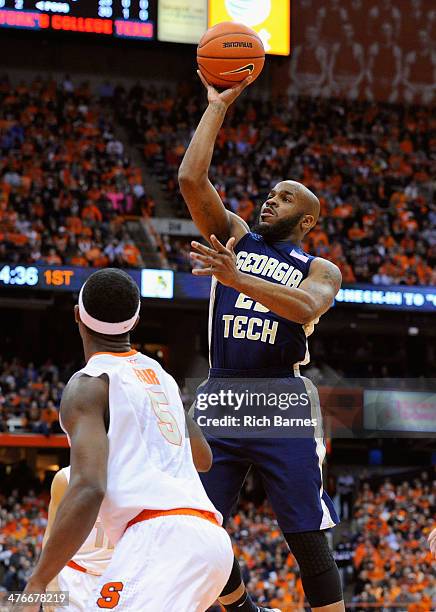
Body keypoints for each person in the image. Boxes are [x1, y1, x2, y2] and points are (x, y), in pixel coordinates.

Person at [178, 73, 345, 611]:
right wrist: (217, 107)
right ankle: (241, 608)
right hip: (222, 391)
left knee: (306, 539)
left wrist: (236, 280)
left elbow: (306, 307)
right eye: (270, 194)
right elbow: (190, 179)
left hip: (281, 398)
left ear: (309, 218)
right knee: (194, 526)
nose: (271, 201)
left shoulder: (320, 267)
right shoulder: (236, 236)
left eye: (286, 197)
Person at [21, 268, 233, 611]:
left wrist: (37, 581)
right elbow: (203, 457)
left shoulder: (88, 383)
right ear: (135, 321)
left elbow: (89, 488)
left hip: (158, 539)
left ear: (78, 315)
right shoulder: (159, 375)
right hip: (209, 540)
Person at [42, 466, 113, 612]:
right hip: (72, 575)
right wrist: (50, 581)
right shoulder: (65, 478)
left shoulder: (135, 476)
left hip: (116, 576)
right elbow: (51, 532)